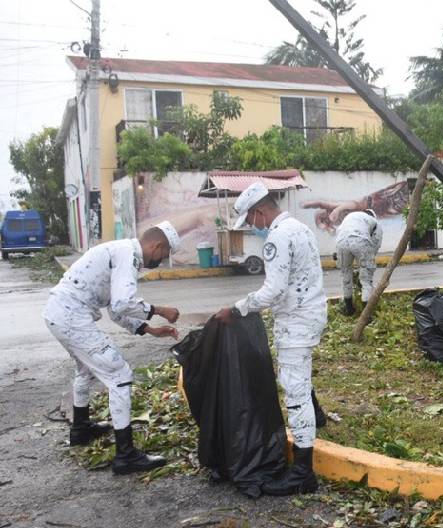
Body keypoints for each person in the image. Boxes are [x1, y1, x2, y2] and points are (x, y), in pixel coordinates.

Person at [215, 182, 328, 496]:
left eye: (251, 221)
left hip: (296, 320)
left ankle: (303, 474)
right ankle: (317, 417)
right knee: (299, 375)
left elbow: (274, 290)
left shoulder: (277, 236)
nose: (252, 227)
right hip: (311, 312)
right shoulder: (300, 228)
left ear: (260, 211)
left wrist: (236, 309)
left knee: (294, 392)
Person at [43, 222, 182, 474]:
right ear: (157, 246)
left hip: (60, 313)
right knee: (119, 374)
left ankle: (81, 429)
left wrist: (149, 329)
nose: (161, 261)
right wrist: (162, 310)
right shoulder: (128, 255)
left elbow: (116, 310)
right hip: (71, 316)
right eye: (164, 255)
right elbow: (123, 302)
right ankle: (126, 455)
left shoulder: (122, 252)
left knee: (84, 370)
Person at [335, 209, 383, 315]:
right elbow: (374, 246)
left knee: (346, 276)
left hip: (341, 242)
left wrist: (337, 254)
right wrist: (366, 265)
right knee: (366, 279)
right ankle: (366, 314)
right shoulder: (375, 223)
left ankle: (349, 309)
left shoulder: (351, 217)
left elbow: (340, 234)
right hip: (360, 239)